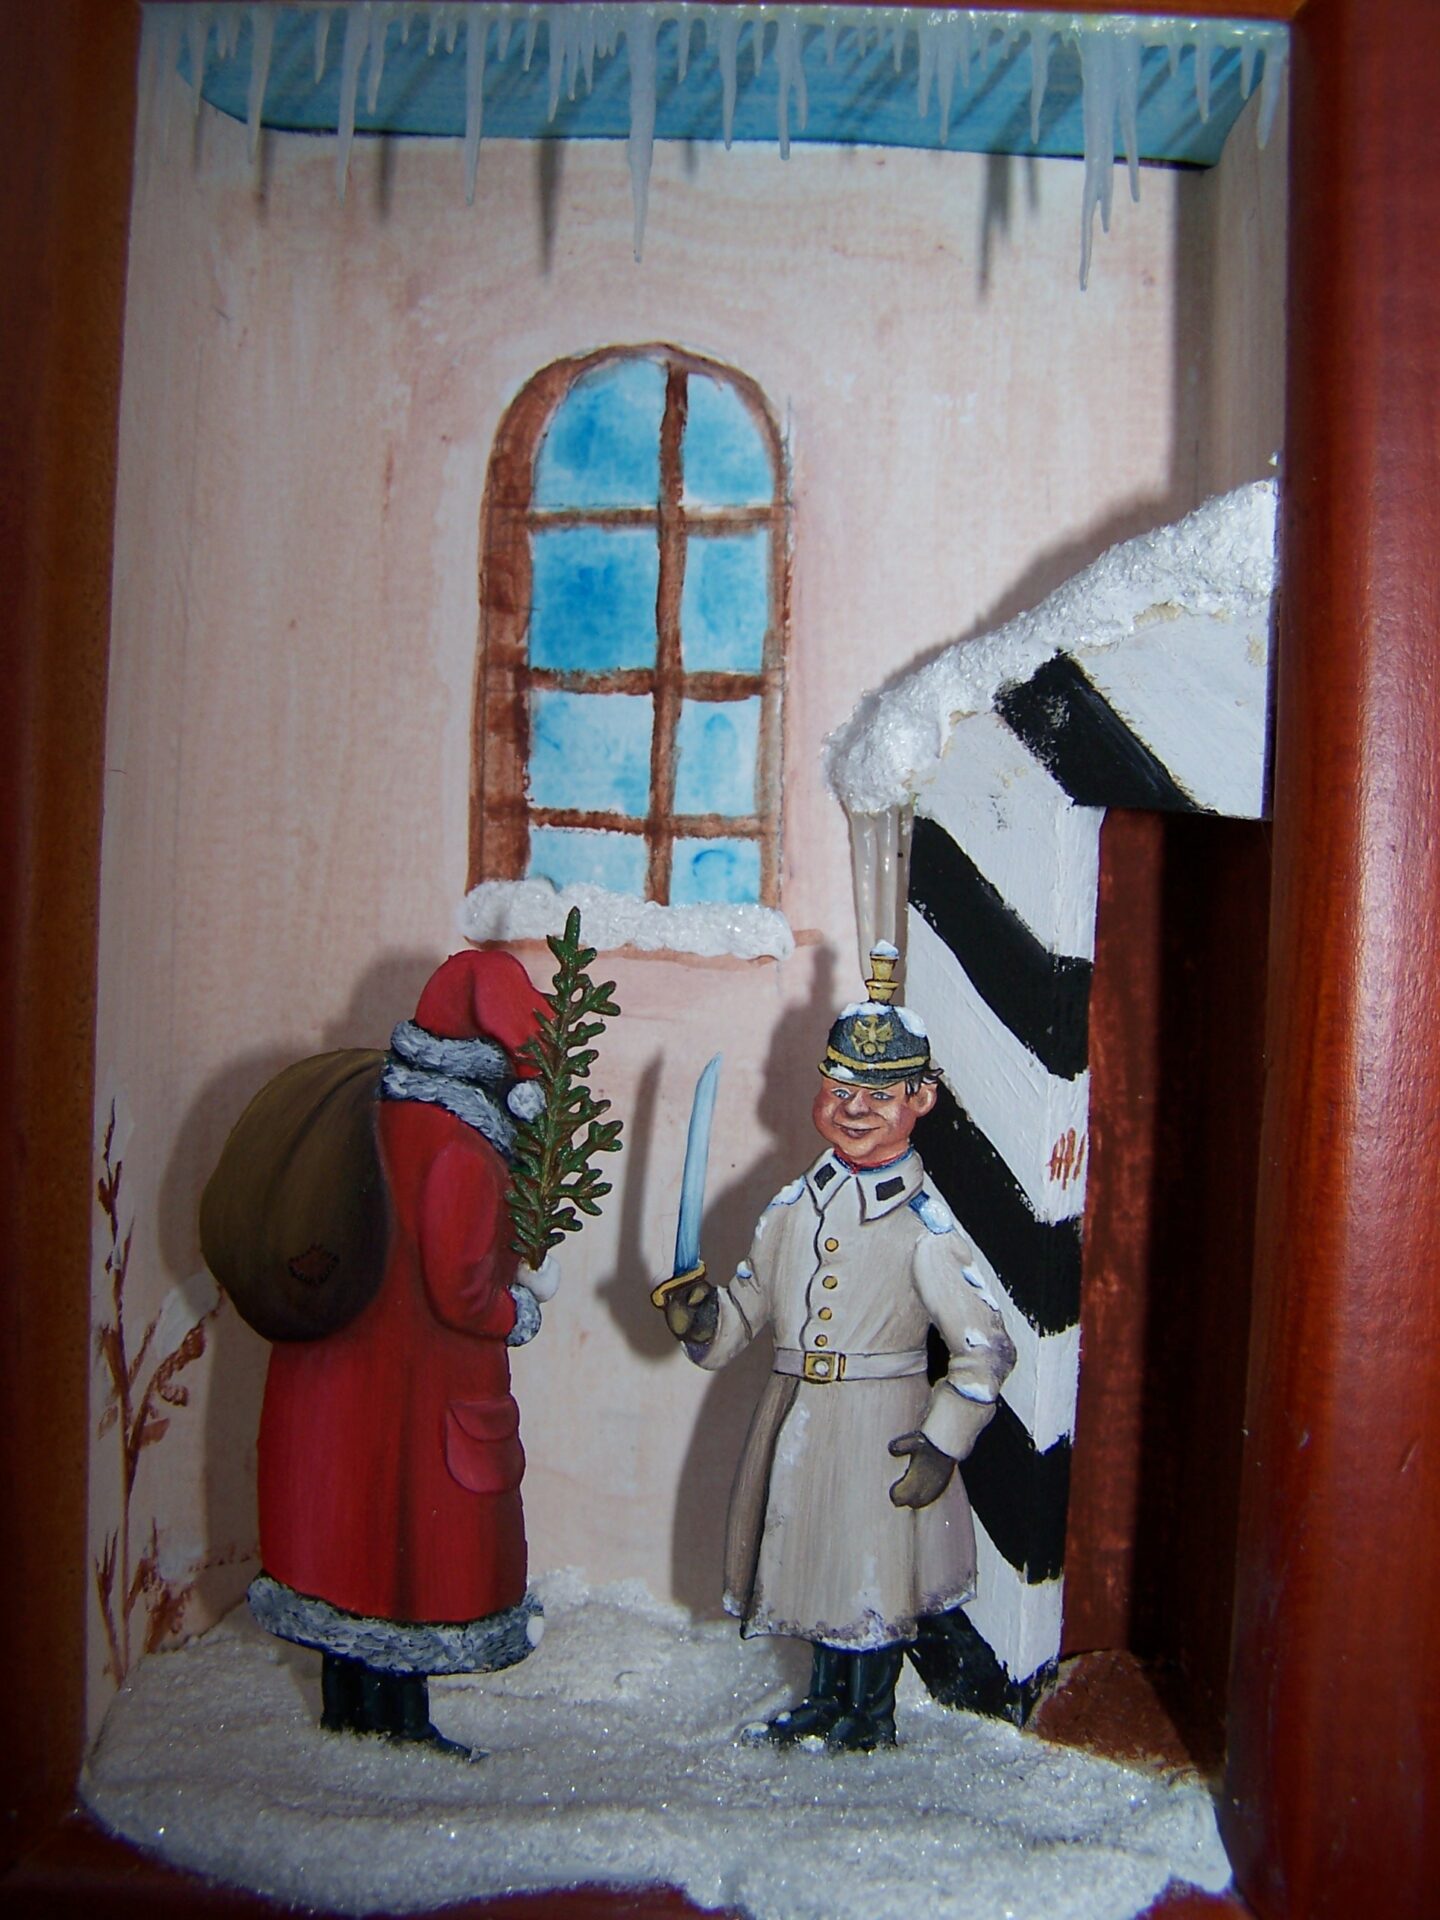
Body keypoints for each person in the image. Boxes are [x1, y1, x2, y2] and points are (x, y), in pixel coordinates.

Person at [662, 945, 1015, 1751]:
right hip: (796, 1418)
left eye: (879, 1094)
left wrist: (943, 1440)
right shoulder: (791, 1209)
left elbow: (984, 1348)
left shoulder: (925, 1230)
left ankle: (869, 1714)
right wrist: (701, 1320)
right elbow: (745, 1312)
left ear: (920, 1098)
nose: (855, 1110)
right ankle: (826, 1700)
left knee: (871, 1572)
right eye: (841, 1090)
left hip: (881, 1428)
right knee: (814, 1562)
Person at [247, 949, 558, 1754]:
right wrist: (516, 1308)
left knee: (346, 1552)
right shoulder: (461, 1150)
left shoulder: (377, 1116)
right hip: (420, 1389)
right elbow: (461, 1290)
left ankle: (347, 1710)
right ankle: (402, 1724)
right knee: (406, 1558)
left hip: (340, 1383)